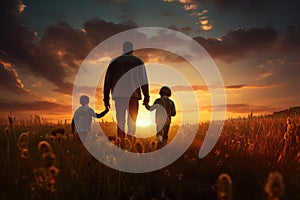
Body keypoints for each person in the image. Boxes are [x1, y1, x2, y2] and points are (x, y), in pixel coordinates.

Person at [103, 41, 149, 147]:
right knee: (132, 120)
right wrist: (146, 97)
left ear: (123, 49)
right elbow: (144, 81)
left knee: (120, 120)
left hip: (119, 95)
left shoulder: (114, 62)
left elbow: (107, 82)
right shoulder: (138, 61)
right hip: (134, 95)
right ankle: (131, 143)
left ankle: (121, 143)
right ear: (132, 50)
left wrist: (106, 99)